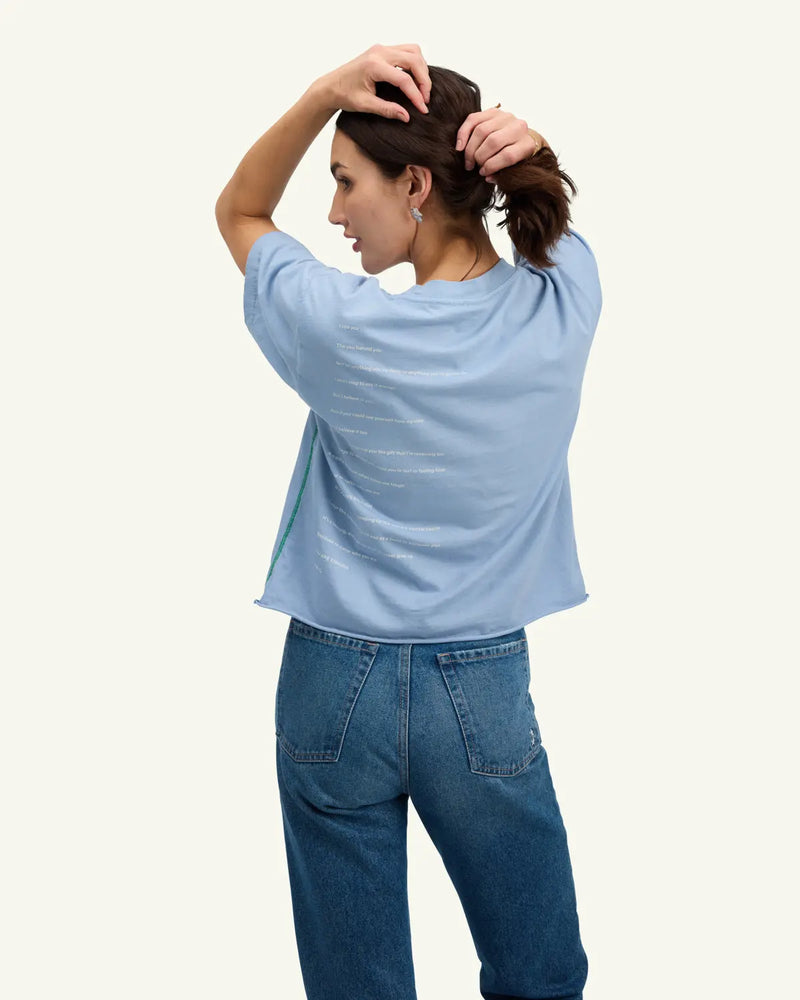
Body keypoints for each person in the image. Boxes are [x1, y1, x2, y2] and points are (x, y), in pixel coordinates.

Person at [216, 43, 601, 1000]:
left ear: (417, 185)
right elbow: (553, 226)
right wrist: (533, 149)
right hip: (482, 689)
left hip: (330, 686)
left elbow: (240, 211)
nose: (334, 212)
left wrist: (321, 93)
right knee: (542, 974)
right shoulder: (565, 305)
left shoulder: (342, 327)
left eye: (346, 182)